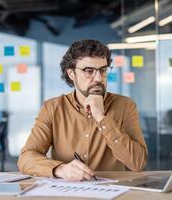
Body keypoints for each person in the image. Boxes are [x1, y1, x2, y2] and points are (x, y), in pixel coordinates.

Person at [18, 39, 147, 181]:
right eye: (89, 71)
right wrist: (60, 169)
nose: (98, 78)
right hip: (67, 192)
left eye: (103, 70)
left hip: (111, 192)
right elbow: (26, 158)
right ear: (71, 74)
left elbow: (138, 163)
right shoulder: (52, 108)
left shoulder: (125, 106)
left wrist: (101, 118)